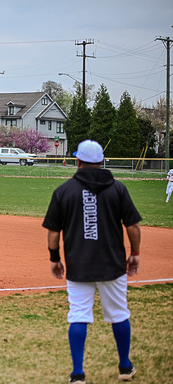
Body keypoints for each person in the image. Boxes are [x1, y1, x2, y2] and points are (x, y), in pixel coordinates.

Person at [42, 140, 142, 383]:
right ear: (101, 162)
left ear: (78, 162)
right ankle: (125, 367)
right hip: (112, 264)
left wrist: (55, 259)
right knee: (119, 314)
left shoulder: (64, 190)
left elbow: (53, 233)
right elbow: (133, 226)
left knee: (78, 315)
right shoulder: (118, 189)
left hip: (79, 265)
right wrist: (135, 254)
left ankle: (78, 374)